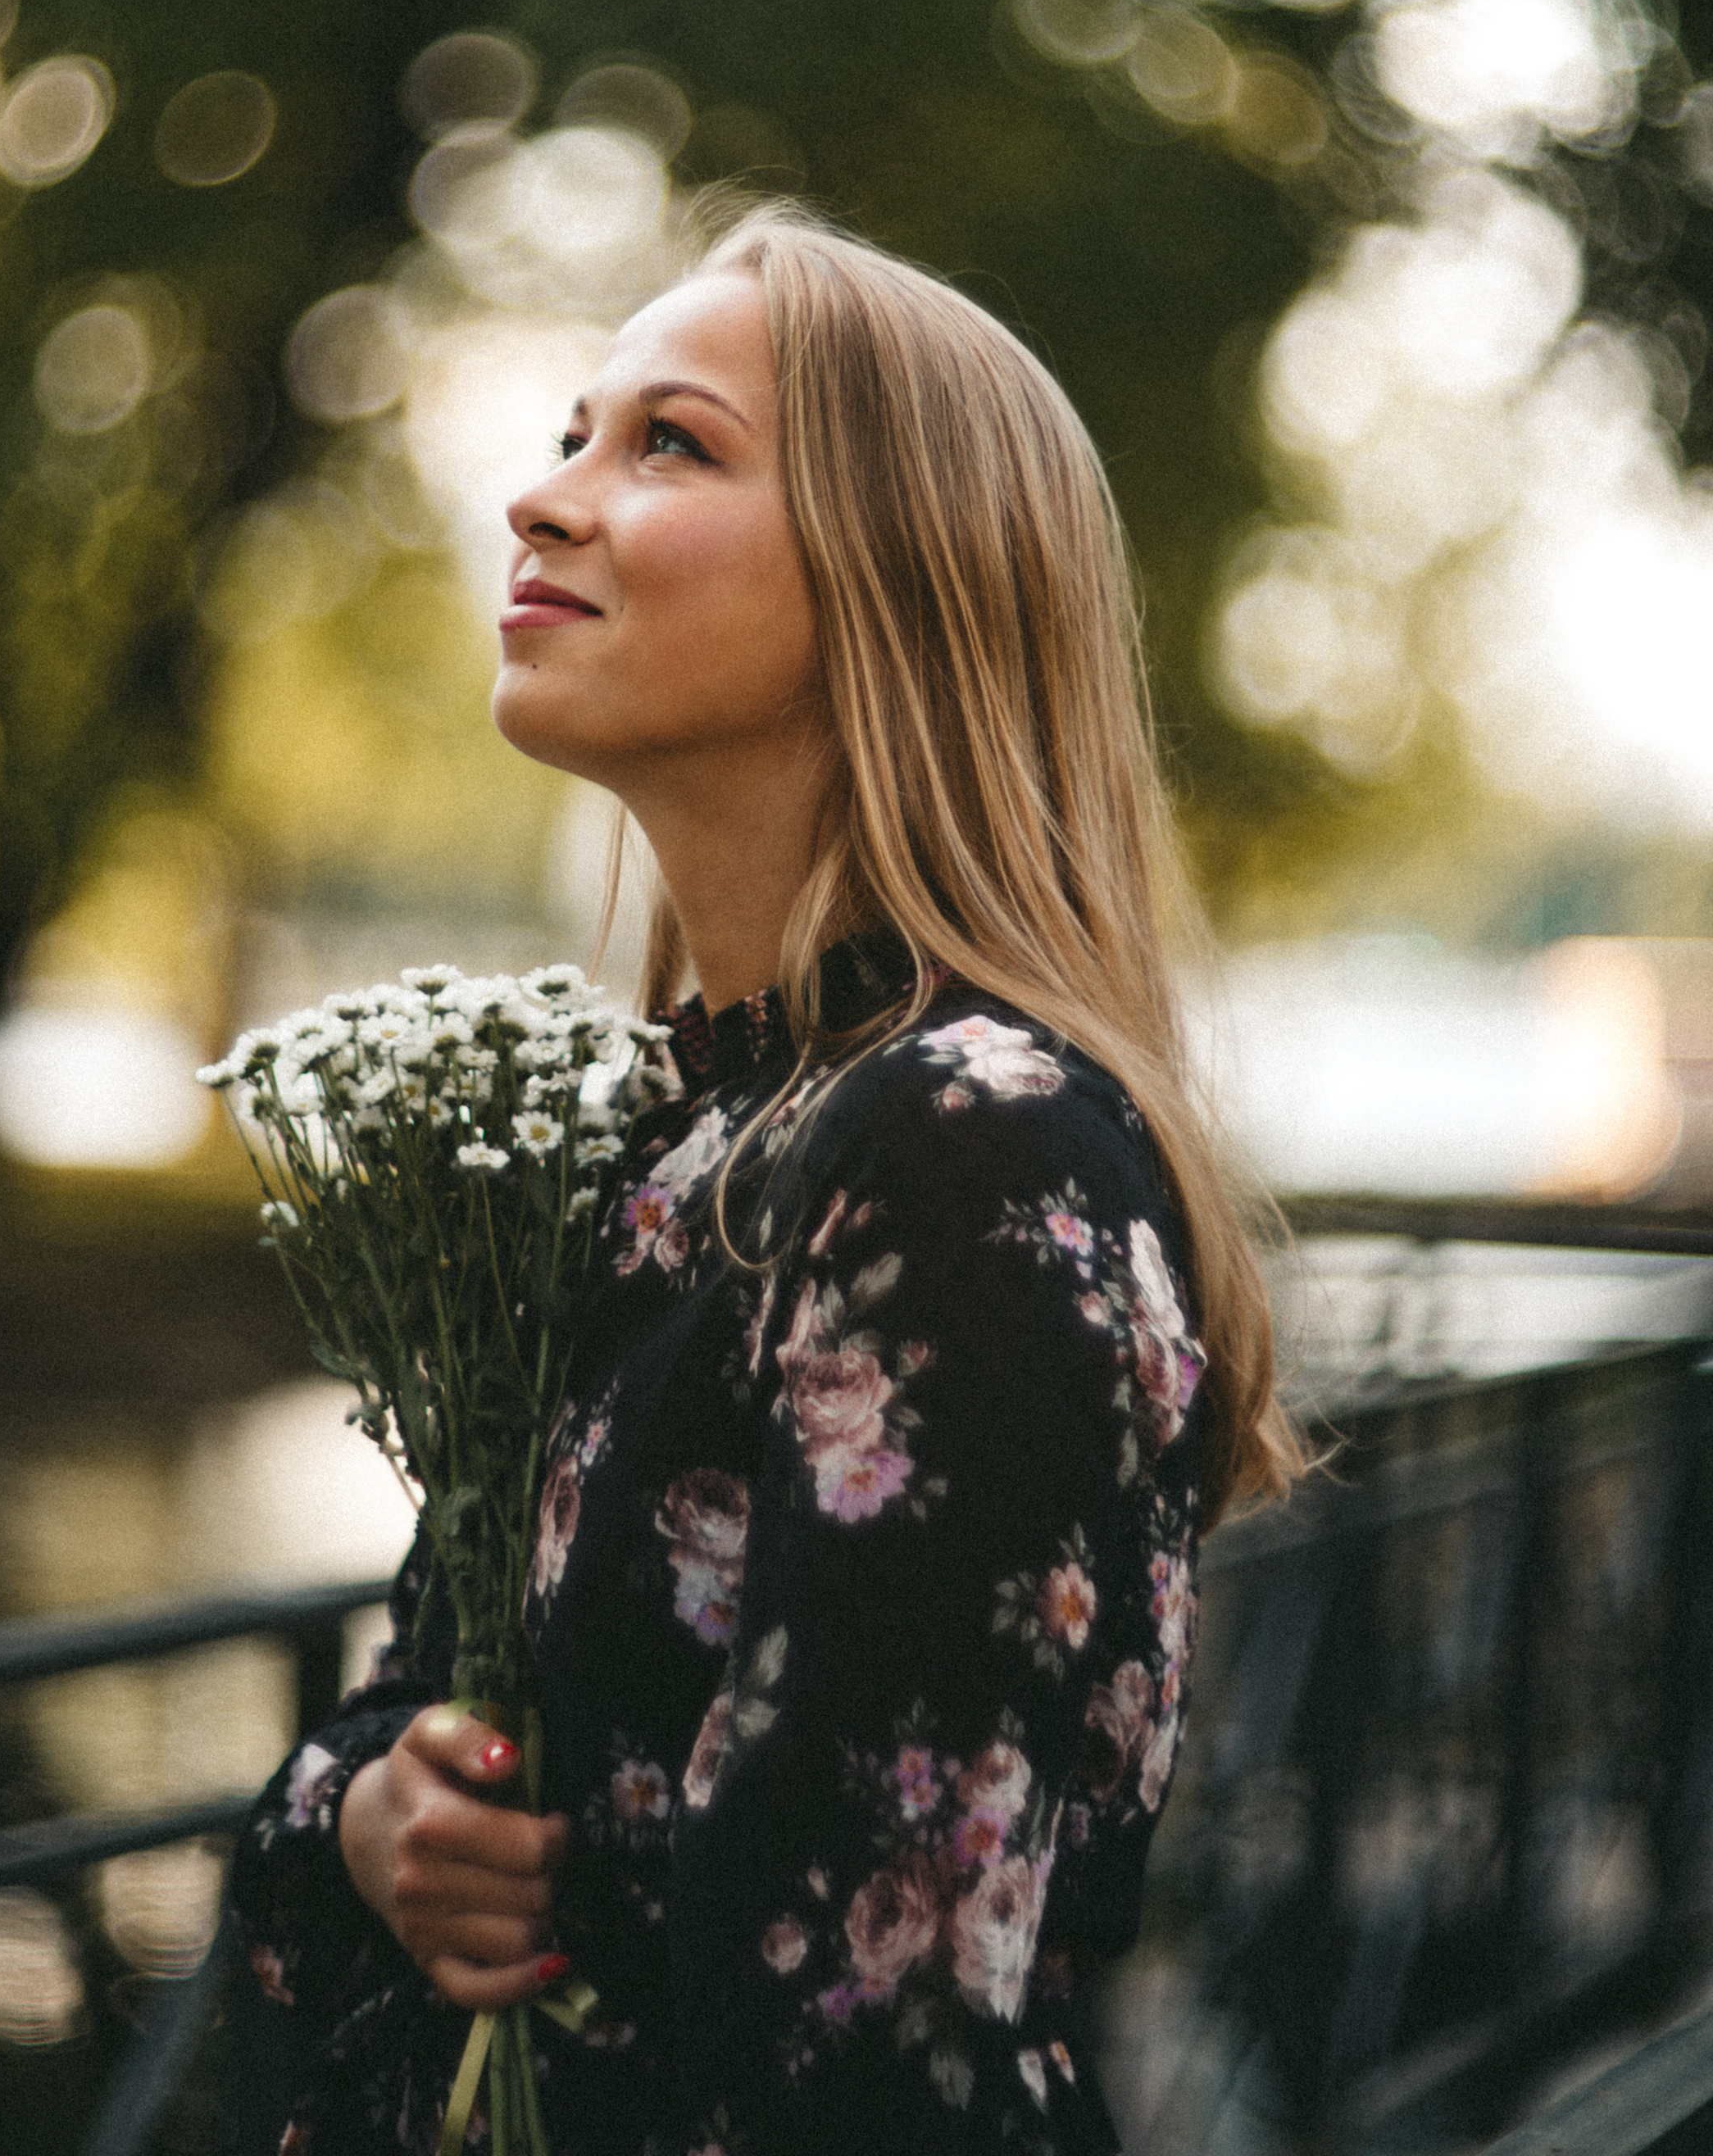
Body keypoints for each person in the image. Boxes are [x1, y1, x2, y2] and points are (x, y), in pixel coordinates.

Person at [232, 202, 1300, 2154]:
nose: (542, 502)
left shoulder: (961, 1146)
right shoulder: (652, 1136)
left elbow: (859, 2042)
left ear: (904, 583)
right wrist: (384, 1820)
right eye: (571, 431)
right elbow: (392, 1718)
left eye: (670, 444)